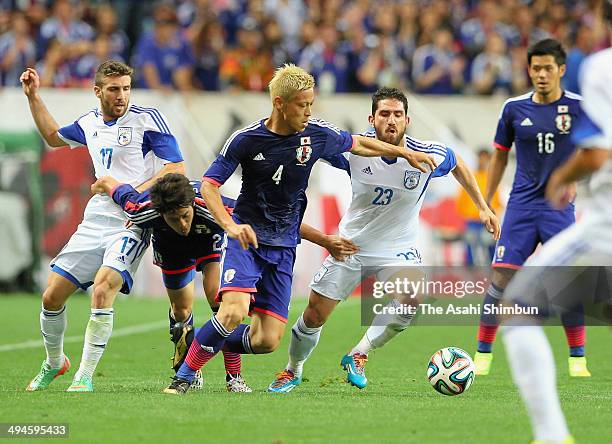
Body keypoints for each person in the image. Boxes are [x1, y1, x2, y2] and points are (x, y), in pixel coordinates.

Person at [164, 64, 437, 395]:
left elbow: (359, 145)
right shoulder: (246, 139)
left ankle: (203, 338)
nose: (309, 112)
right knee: (234, 311)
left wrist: (404, 152)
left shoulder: (317, 134)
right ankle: (184, 377)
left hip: (283, 248)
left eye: (311, 104)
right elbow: (209, 186)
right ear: (279, 103)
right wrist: (230, 227)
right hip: (247, 240)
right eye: (302, 105)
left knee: (267, 341)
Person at [268, 87, 500, 392]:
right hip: (351, 245)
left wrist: (483, 207)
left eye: (397, 115)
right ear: (372, 119)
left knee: (411, 298)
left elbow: (458, 164)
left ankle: (358, 354)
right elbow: (311, 147)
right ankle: (293, 370)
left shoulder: (428, 154)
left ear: (407, 120)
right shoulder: (352, 151)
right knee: (314, 314)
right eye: (384, 114)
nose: (391, 121)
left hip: (398, 249)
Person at [22, 60, 185, 392]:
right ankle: (55, 362)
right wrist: (33, 96)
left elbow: (177, 167)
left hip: (133, 219)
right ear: (97, 91)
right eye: (113, 89)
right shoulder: (88, 123)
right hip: (95, 219)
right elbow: (54, 137)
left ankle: (84, 375)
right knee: (51, 297)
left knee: (101, 289)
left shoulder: (147, 120)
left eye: (126, 88)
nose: (121, 95)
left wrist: (130, 194)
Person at [501, 22, 612, 444]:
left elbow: (597, 153)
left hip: (606, 224)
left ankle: (552, 436)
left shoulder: (602, 68)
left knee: (518, 308)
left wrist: (562, 177)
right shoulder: (518, 108)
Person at [473, 38, 591, 378]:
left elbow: (593, 149)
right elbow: (499, 155)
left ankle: (577, 358)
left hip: (559, 208)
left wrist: (573, 180)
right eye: (536, 68)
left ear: (561, 70)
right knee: (501, 277)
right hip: (521, 206)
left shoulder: (579, 107)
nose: (541, 74)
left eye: (548, 69)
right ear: (529, 70)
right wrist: (486, 202)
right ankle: (483, 354)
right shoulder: (513, 109)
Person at [90, 173, 250, 392]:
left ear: (192, 204)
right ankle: (187, 362)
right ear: (160, 213)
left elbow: (250, 214)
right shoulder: (140, 209)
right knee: (181, 310)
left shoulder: (210, 206)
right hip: (171, 248)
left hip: (208, 238)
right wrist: (99, 184)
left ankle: (234, 376)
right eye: (174, 219)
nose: (182, 224)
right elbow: (112, 184)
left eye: (185, 215)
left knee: (220, 302)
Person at [456, 149, 502, 265]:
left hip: (488, 221)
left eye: (486, 158)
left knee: (491, 248)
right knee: (470, 248)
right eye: (481, 158)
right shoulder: (471, 177)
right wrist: (467, 214)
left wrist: (493, 216)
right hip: (472, 221)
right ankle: (471, 274)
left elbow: (497, 201)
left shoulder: (492, 179)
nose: (483, 161)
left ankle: (493, 271)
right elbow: (461, 200)